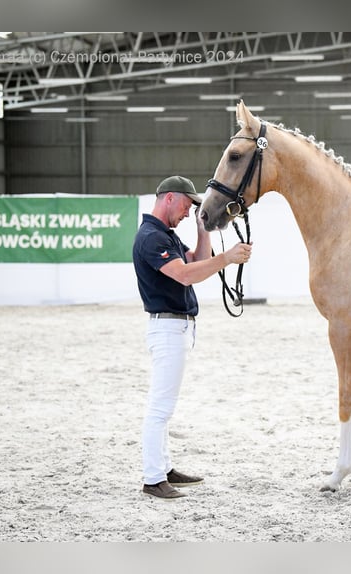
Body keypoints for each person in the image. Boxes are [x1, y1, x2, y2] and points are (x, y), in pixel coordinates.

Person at [132, 175, 252, 499]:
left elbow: (198, 260)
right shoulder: (151, 238)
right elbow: (185, 275)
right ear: (170, 198)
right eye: (187, 205)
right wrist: (227, 258)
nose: (187, 213)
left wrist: (204, 228)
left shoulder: (164, 235)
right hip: (168, 327)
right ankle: (153, 478)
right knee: (160, 408)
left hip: (176, 327)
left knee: (164, 406)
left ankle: (163, 467)